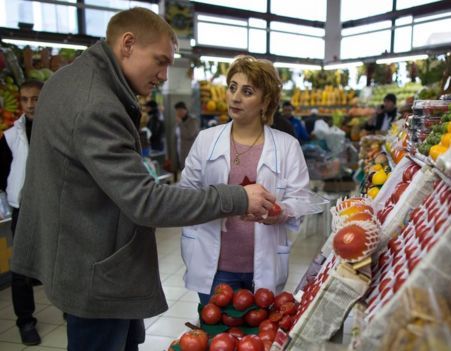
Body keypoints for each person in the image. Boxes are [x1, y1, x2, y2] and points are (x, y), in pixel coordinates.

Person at [10, 8, 275, 351]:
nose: (165, 75)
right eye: (160, 61)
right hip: (95, 266)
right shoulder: (96, 103)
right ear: (128, 44)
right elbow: (147, 202)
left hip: (85, 250)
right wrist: (238, 198)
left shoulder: (70, 78)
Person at [179, 55, 310, 303]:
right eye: (232, 87)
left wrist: (279, 211)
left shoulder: (287, 146)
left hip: (263, 266)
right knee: (216, 337)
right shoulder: (206, 140)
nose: (236, 97)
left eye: (247, 91)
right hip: (214, 265)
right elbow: (186, 194)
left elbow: (302, 199)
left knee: (258, 339)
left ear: (266, 101)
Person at [0, 79, 44, 346]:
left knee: (60, 262)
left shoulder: (57, 129)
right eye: (25, 99)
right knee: (21, 270)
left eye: (35, 99)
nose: (29, 105)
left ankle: (68, 307)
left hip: (54, 208)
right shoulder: (10, 136)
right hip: (23, 210)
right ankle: (26, 322)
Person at [174, 101, 200, 169]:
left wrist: (180, 123)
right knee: (182, 168)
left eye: (180, 111)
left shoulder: (192, 121)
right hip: (180, 149)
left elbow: (189, 134)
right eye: (177, 111)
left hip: (189, 151)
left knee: (189, 170)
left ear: (185, 110)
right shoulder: (180, 121)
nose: (178, 113)